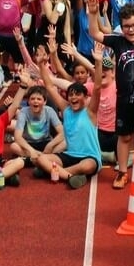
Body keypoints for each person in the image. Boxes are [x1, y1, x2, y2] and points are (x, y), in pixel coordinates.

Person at [84, 0, 134, 191]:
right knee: (125, 137)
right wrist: (93, 14)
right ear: (121, 27)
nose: (131, 30)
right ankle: (122, 172)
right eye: (127, 26)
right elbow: (95, 33)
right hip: (125, 100)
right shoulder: (117, 41)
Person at [35, 44, 104, 189]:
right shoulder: (66, 110)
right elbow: (48, 86)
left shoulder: (90, 111)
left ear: (85, 98)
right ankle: (70, 177)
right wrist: (41, 65)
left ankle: (54, 172)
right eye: (70, 95)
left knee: (87, 166)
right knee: (40, 158)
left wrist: (98, 63)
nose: (73, 97)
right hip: (69, 155)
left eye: (77, 95)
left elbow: (97, 87)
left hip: (88, 157)